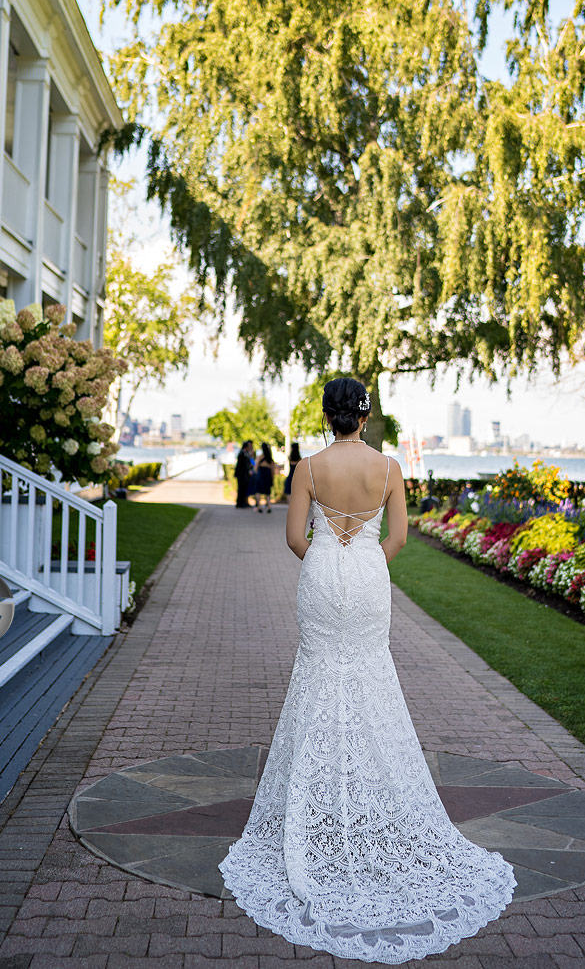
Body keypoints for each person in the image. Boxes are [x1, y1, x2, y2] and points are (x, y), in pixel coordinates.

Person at [219, 377, 515, 962]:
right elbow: (399, 536)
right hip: (370, 582)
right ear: (365, 415)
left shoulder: (308, 468)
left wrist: (329, 560)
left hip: (323, 579)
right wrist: (364, 567)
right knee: (372, 680)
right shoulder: (388, 469)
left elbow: (292, 537)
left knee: (318, 679)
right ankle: (370, 796)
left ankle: (317, 804)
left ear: (326, 416)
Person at [254, 441, 275, 513]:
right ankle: (269, 506)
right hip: (268, 474)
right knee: (268, 491)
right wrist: (272, 478)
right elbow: (273, 469)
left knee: (258, 490)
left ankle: (259, 506)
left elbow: (256, 467)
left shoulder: (260, 457)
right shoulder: (270, 458)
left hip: (261, 474)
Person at [234, 440, 253, 508]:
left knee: (244, 489)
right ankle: (240, 503)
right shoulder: (242, 453)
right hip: (242, 475)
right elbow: (242, 465)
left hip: (244, 475)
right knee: (241, 489)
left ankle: (243, 502)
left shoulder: (245, 453)